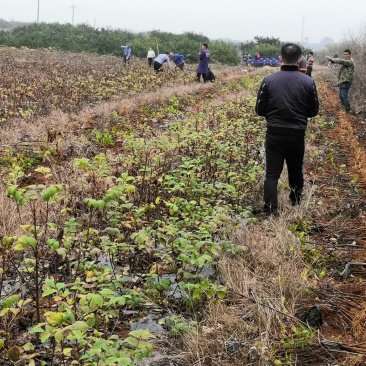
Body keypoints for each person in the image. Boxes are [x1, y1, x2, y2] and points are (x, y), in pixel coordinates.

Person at [255, 43, 319, 216]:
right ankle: (296, 202)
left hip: (274, 133)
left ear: (280, 58)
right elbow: (313, 111)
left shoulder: (269, 80)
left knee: (272, 174)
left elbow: (260, 110)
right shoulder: (308, 82)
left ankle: (270, 211)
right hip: (296, 134)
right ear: (299, 60)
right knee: (295, 169)